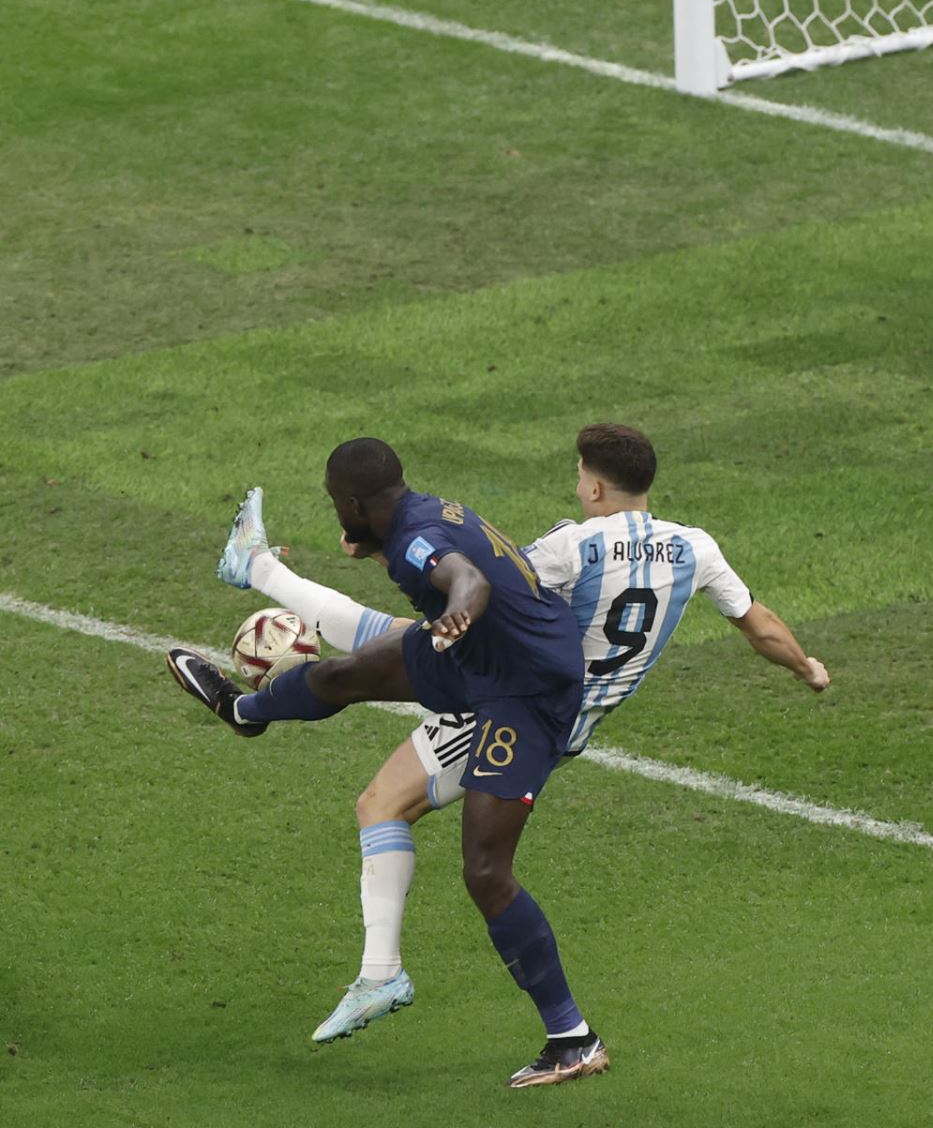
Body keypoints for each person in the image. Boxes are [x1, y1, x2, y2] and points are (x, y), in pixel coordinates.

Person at [206, 425, 830, 1053]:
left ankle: (500, 1013)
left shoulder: (574, 544)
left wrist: (419, 573)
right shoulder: (698, 550)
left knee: (400, 785)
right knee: (384, 713)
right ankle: (254, 576)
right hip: (559, 711)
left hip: (516, 707)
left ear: (593, 484)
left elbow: (496, 585)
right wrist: (807, 668)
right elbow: (761, 626)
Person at [167, 437, 606, 1088]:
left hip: (528, 693)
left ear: (351, 500)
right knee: (346, 673)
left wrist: (456, 615)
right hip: (493, 655)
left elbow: (468, 580)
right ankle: (245, 709)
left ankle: (574, 1040)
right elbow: (436, 557)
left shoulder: (413, 542)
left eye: (332, 503)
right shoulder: (422, 513)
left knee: (486, 871)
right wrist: (378, 553)